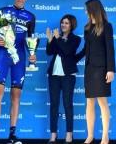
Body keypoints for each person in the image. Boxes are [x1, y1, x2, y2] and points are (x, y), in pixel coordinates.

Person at [0, 0, 36, 144]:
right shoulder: (3, 11)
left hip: (19, 57)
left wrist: (33, 54)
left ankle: (12, 135)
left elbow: (30, 39)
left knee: (16, 95)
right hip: (3, 54)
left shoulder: (30, 16)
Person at [76, 0, 115, 144]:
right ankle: (90, 135)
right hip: (90, 69)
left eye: (87, 9)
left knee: (102, 101)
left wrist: (110, 69)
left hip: (102, 69)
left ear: (93, 9)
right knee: (89, 102)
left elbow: (110, 49)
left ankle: (105, 136)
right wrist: (73, 59)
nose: (85, 11)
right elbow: (86, 49)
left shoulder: (107, 26)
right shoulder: (87, 28)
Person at [46, 14, 81, 144]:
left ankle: (69, 135)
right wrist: (50, 40)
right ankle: (53, 135)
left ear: (72, 25)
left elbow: (67, 51)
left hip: (68, 76)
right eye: (62, 23)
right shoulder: (57, 37)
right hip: (54, 75)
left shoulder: (76, 39)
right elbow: (49, 52)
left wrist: (57, 38)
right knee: (54, 104)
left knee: (67, 104)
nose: (63, 25)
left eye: (66, 23)